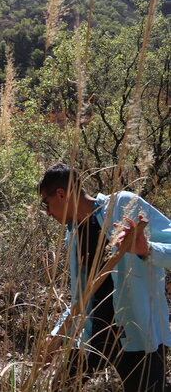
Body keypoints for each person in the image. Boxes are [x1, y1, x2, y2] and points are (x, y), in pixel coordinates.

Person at [38, 162, 171, 391]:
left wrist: (146, 249)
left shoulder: (122, 204)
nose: (48, 212)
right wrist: (58, 334)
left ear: (61, 194)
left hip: (137, 334)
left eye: (46, 203)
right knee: (61, 387)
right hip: (93, 332)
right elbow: (83, 294)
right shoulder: (74, 234)